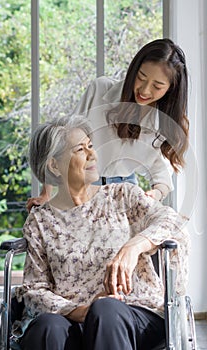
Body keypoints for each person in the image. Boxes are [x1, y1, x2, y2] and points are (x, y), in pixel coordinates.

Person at [14, 115, 190, 350]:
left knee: (105, 310)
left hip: (131, 316)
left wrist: (133, 247)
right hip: (72, 321)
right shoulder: (40, 220)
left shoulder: (123, 196)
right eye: (80, 149)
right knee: (48, 327)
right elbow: (34, 289)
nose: (92, 155)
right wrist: (78, 311)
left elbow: (172, 221)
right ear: (54, 165)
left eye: (91, 146)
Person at [26, 38, 189, 211]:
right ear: (134, 71)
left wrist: (154, 194)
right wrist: (47, 193)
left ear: (171, 88)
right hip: (84, 187)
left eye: (157, 86)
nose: (145, 90)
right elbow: (64, 140)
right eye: (141, 77)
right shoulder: (100, 90)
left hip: (126, 194)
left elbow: (162, 177)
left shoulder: (164, 124)